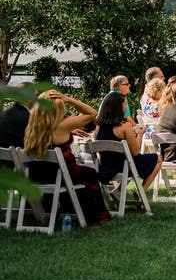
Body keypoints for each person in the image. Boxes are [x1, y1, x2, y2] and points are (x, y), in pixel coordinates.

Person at [22, 90, 110, 225]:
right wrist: (69, 99)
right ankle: (98, 215)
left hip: (38, 175)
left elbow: (50, 138)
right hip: (62, 175)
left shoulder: (33, 127)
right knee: (90, 173)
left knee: (83, 173)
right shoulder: (63, 125)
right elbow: (92, 114)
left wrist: (69, 132)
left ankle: (69, 207)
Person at [93, 91, 162, 192]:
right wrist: (140, 135)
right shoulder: (124, 126)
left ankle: (117, 192)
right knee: (158, 158)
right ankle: (141, 191)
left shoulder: (98, 127)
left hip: (105, 167)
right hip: (124, 166)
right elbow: (135, 152)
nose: (126, 107)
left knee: (128, 160)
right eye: (125, 104)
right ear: (118, 107)